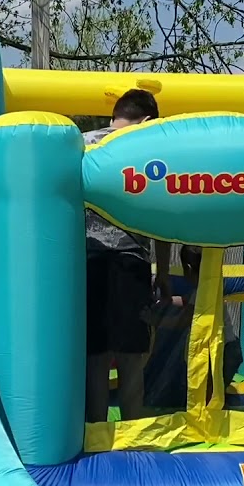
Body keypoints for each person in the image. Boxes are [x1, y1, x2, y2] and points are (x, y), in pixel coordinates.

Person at [83, 89, 172, 422]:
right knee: (132, 355)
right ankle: (134, 436)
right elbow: (162, 216)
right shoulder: (148, 152)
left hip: (86, 261)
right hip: (129, 261)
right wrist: (161, 272)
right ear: (148, 121)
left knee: (96, 355)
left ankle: (95, 431)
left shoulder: (81, 143)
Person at [144, 245, 243, 405]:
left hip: (223, 351)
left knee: (208, 391)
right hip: (230, 347)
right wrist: (166, 300)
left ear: (188, 269)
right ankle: (218, 406)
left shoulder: (201, 293)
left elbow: (183, 321)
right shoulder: (207, 288)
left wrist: (154, 321)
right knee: (210, 387)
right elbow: (184, 300)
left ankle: (213, 413)